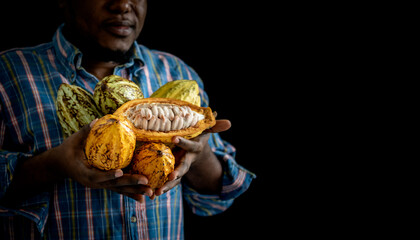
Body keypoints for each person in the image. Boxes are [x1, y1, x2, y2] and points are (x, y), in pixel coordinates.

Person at [0, 0, 255, 239]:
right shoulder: (8, 73)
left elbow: (219, 195)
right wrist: (54, 165)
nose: (122, 4)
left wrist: (200, 155)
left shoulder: (175, 71)